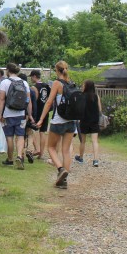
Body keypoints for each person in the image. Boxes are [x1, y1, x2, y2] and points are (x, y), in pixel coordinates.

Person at [36, 60, 76, 189]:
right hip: (71, 121)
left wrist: (41, 119)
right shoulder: (71, 83)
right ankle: (64, 181)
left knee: (51, 148)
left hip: (58, 121)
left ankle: (60, 169)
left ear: (56, 70)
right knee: (66, 151)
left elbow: (49, 103)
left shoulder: (57, 84)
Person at [0, 63, 33, 170]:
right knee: (20, 136)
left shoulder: (5, 82)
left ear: (8, 70)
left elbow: (1, 99)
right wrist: (29, 114)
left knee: (9, 137)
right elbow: (28, 100)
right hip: (21, 114)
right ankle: (19, 156)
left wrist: (0, 114)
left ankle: (10, 159)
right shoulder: (25, 83)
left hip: (8, 114)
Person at [75, 80, 102, 167]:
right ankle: (96, 160)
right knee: (95, 141)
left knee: (83, 141)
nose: (82, 86)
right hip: (94, 121)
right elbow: (100, 110)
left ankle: (81, 157)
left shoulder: (82, 96)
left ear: (86, 86)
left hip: (84, 121)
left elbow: (79, 109)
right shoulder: (96, 96)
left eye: (83, 85)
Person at [28, 69, 50, 161]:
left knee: (35, 130)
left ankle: (37, 149)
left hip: (38, 112)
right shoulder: (46, 86)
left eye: (31, 77)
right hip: (45, 111)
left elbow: (34, 100)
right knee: (43, 132)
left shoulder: (34, 87)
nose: (31, 79)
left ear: (34, 76)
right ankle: (41, 153)